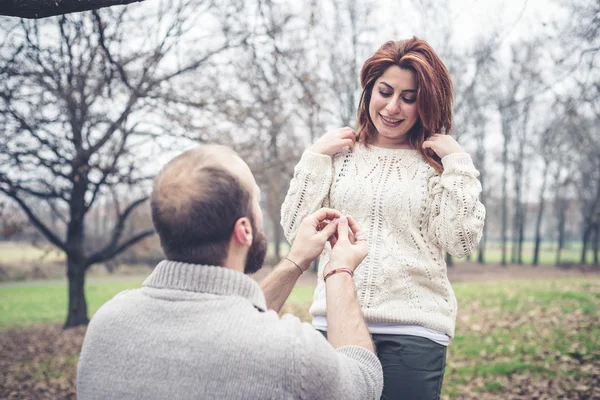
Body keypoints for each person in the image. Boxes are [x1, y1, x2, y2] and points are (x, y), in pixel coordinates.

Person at [77, 145, 383, 400]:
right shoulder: (291, 353)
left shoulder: (107, 325)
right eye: (257, 201)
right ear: (244, 230)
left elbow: (229, 322)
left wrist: (296, 261)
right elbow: (363, 382)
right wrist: (339, 270)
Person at [281, 37, 486, 400]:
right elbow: (294, 229)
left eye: (409, 98)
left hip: (414, 330)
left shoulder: (437, 164)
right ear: (369, 90)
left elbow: (462, 243)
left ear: (426, 103)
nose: (393, 107)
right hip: (333, 320)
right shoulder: (338, 154)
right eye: (385, 91)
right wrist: (313, 157)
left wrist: (457, 164)